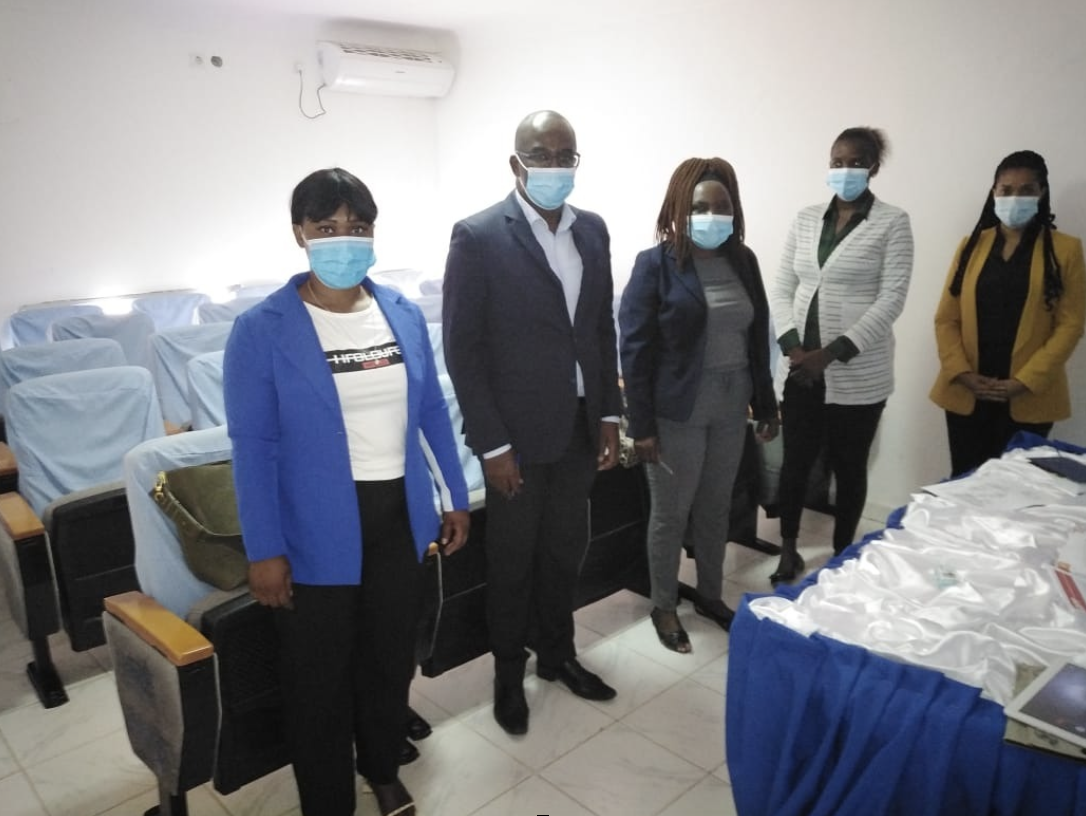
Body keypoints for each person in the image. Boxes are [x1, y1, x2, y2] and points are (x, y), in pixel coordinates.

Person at [223, 167, 470, 816]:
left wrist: (454, 495)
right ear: (299, 233)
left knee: (390, 659)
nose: (343, 240)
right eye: (326, 228)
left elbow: (431, 413)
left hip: (397, 518)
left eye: (356, 228)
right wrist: (264, 549)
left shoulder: (401, 313)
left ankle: (382, 765)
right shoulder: (262, 329)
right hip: (313, 528)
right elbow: (252, 448)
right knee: (317, 681)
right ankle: (327, 800)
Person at [443, 110, 623, 735]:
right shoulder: (479, 235)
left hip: (577, 426)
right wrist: (491, 443)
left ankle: (559, 655)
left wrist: (606, 413)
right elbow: (463, 351)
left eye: (564, 154)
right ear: (515, 163)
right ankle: (506, 673)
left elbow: (600, 328)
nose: (553, 165)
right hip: (514, 437)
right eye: (540, 154)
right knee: (514, 560)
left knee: (564, 551)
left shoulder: (593, 231)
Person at [619, 157, 778, 652]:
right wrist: (641, 426)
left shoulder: (743, 261)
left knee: (716, 507)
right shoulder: (654, 265)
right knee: (672, 513)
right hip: (677, 412)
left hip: (732, 406)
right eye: (701, 206)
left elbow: (758, 336)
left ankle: (710, 593)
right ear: (679, 210)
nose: (712, 215)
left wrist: (767, 404)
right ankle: (664, 605)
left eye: (722, 206)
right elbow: (635, 349)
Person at [769, 127, 913, 578]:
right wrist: (794, 348)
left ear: (873, 167)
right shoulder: (807, 217)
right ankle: (788, 547)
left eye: (855, 161)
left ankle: (841, 557)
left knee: (849, 470)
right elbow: (783, 285)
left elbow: (892, 298)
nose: (844, 170)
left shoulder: (892, 222)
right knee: (794, 464)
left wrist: (829, 354)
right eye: (836, 161)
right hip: (800, 371)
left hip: (857, 376)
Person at [930, 150, 1085, 477]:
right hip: (968, 389)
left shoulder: (1066, 249)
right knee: (962, 484)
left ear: (1042, 193)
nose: (1016, 197)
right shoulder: (970, 245)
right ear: (994, 192)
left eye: (1027, 190)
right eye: (1006, 189)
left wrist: (1023, 381)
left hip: (1028, 395)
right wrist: (961, 373)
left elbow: (1070, 324)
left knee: (1012, 492)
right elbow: (946, 318)